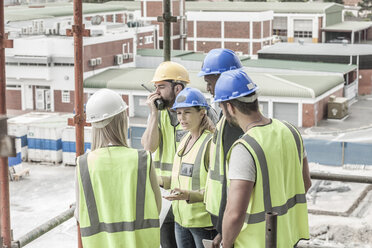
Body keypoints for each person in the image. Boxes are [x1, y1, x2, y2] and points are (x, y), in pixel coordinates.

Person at [213, 70, 312, 248]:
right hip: (288, 238)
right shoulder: (291, 130)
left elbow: (235, 213)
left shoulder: (245, 147)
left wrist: (226, 244)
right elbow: (306, 183)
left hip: (257, 242)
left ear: (230, 107)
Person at [141, 61, 218, 248]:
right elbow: (148, 147)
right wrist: (153, 115)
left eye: (161, 87)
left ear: (177, 88)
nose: (156, 93)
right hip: (169, 199)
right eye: (155, 88)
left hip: (197, 207)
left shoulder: (206, 117)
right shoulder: (159, 115)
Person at [75, 88, 161, 248]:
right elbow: (156, 207)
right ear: (123, 120)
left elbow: (80, 214)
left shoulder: (83, 164)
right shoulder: (142, 159)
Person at [198, 48, 244, 247]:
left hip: (228, 220)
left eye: (210, 83)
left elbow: (232, 181)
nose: (208, 89)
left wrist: (223, 231)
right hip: (221, 215)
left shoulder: (235, 124)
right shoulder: (226, 119)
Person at [163, 87, 218, 248]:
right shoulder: (184, 140)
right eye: (179, 113)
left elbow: (217, 190)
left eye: (187, 112)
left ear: (202, 113)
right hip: (181, 221)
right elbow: (179, 178)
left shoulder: (211, 143)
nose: (181, 118)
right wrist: (157, 179)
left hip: (203, 224)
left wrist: (188, 195)